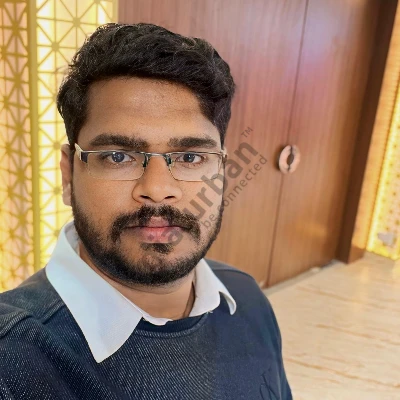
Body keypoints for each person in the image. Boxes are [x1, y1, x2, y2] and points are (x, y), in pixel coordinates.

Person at [0, 23, 292, 400]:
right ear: (68, 174)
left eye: (190, 157)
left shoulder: (245, 295)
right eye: (117, 156)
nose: (156, 189)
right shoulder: (13, 361)